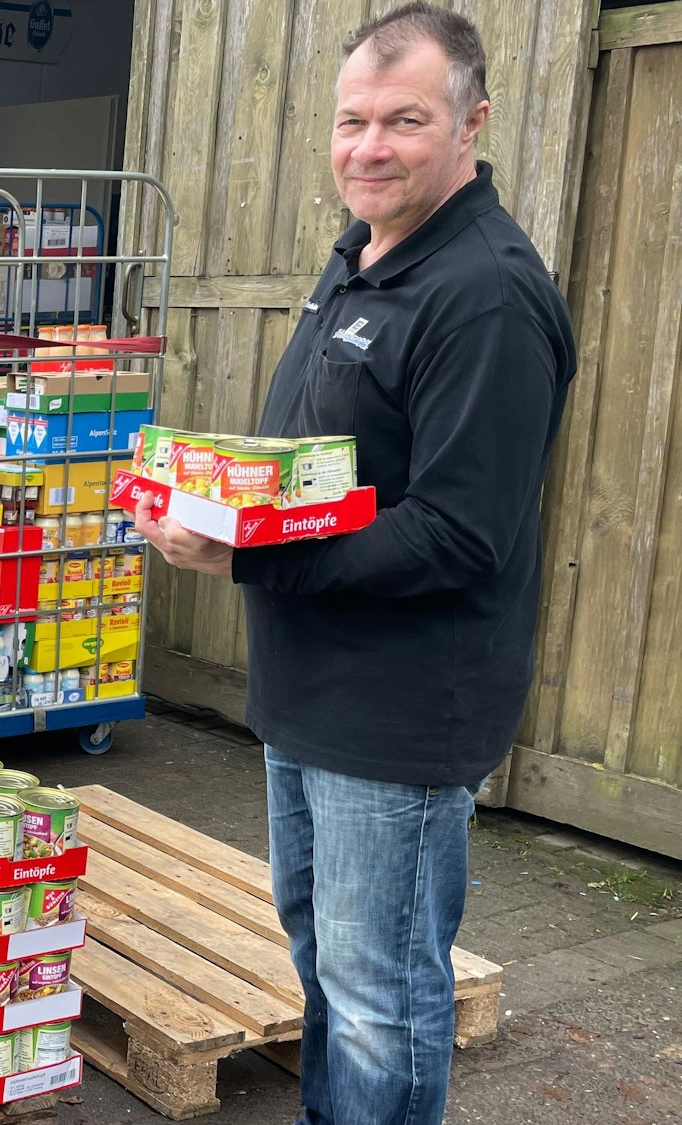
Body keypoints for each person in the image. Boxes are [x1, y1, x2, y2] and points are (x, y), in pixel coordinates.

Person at [136, 6, 574, 1124]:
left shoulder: (484, 294)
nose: (367, 146)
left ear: (470, 123)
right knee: (327, 968)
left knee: (382, 996)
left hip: (399, 716)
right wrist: (229, 501)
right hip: (310, 697)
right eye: (350, 121)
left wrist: (246, 552)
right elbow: (329, 476)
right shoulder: (362, 257)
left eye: (403, 121)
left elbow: (456, 533)